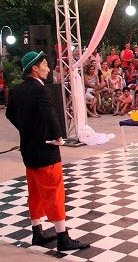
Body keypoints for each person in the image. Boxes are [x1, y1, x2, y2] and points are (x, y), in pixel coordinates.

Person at [5, 51, 89, 251]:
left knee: (34, 192)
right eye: (44, 64)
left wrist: (26, 130)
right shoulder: (41, 90)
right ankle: (63, 237)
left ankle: (37, 233)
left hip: (28, 150)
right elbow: (51, 116)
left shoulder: (17, 90)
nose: (48, 68)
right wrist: (57, 137)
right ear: (34, 68)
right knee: (54, 192)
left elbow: (9, 114)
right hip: (45, 150)